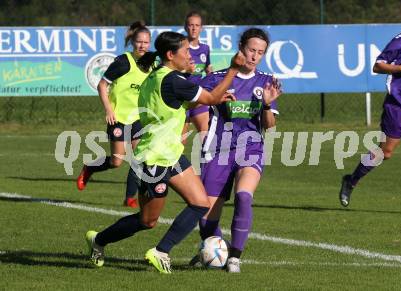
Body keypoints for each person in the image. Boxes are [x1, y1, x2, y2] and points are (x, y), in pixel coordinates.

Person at [85, 31, 246, 274]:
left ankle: (161, 251)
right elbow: (209, 96)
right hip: (153, 159)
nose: (189, 55)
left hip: (171, 154)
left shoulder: (158, 77)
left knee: (200, 203)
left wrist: (210, 99)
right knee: (147, 221)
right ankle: (99, 241)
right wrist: (233, 69)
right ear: (171, 55)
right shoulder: (172, 80)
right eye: (185, 51)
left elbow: (179, 101)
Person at [191, 28, 282, 273]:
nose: (254, 56)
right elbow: (193, 106)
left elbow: (270, 125)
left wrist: (266, 105)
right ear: (240, 47)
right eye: (251, 49)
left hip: (250, 148)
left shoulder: (265, 82)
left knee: (244, 195)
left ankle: (234, 258)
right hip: (218, 150)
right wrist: (216, 100)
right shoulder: (218, 78)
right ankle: (215, 249)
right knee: (205, 220)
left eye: (260, 52)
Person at [339, 0, 401, 212]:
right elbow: (377, 65)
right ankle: (351, 180)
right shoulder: (399, 42)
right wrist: (400, 67)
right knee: (385, 153)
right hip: (398, 106)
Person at [76, 21, 151, 208]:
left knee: (139, 158)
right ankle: (90, 168)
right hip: (118, 117)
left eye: (146, 42)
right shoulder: (123, 62)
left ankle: (130, 198)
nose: (142, 45)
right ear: (133, 42)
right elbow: (102, 85)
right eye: (139, 42)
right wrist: (109, 109)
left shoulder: (151, 64)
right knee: (117, 161)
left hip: (138, 118)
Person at [182, 11, 213, 143]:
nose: (194, 28)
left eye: (197, 25)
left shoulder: (205, 48)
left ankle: (207, 164)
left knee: (206, 139)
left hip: (198, 100)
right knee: (179, 144)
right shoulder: (180, 47)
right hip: (181, 101)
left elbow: (208, 70)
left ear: (201, 28)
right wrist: (186, 70)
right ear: (185, 27)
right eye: (190, 25)